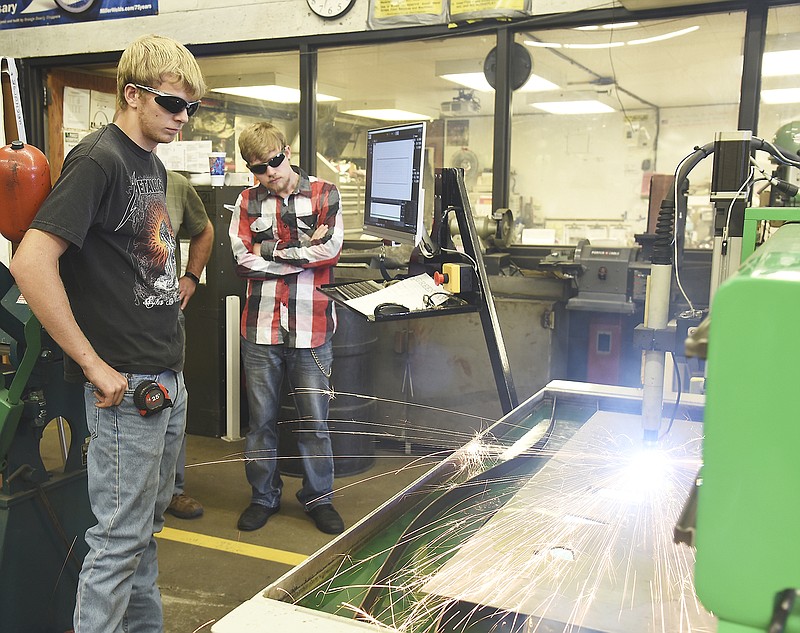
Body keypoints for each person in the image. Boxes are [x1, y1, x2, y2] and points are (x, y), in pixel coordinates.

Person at [10, 35, 205, 632]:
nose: (182, 118)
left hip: (163, 375)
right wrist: (94, 365)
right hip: (129, 386)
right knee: (118, 545)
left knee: (144, 537)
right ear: (133, 94)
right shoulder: (100, 159)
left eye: (190, 108)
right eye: (173, 105)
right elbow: (31, 262)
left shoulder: (149, 161)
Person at [229, 121, 345, 534]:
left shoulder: (324, 193)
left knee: (315, 422)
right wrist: (302, 249)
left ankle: (319, 499)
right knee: (260, 421)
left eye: (275, 161)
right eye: (259, 168)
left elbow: (330, 250)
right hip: (260, 331)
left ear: (288, 152)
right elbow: (242, 260)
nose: (270, 173)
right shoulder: (246, 202)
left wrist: (270, 251)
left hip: (312, 328)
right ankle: (263, 496)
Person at [165, 169, 214, 519]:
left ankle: (171, 491)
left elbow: (204, 230)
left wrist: (191, 276)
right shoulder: (101, 172)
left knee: (173, 405)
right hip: (115, 326)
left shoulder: (176, 185)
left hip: (166, 318)